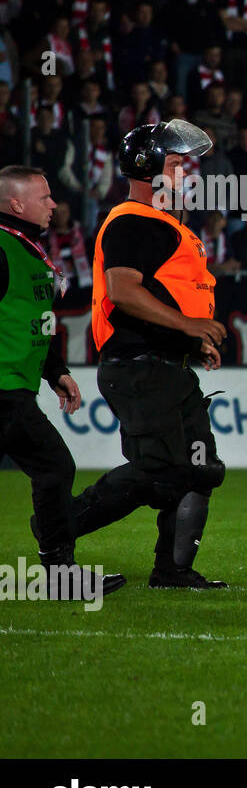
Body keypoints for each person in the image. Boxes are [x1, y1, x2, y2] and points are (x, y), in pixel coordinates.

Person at [70, 120, 230, 589]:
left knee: (201, 469)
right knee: (159, 472)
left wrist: (191, 343)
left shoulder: (159, 222)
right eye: (178, 164)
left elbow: (164, 294)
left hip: (165, 364)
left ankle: (173, 571)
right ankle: (59, 527)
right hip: (139, 366)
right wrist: (189, 326)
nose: (187, 173)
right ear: (148, 168)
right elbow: (123, 291)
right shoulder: (133, 219)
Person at [0, 167, 124, 598]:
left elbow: (39, 320)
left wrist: (56, 372)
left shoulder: (28, 249)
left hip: (16, 387)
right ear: (16, 204)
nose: (54, 204)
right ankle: (59, 575)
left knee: (53, 467)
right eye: (44, 197)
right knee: (54, 466)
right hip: (3, 390)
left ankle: (58, 574)